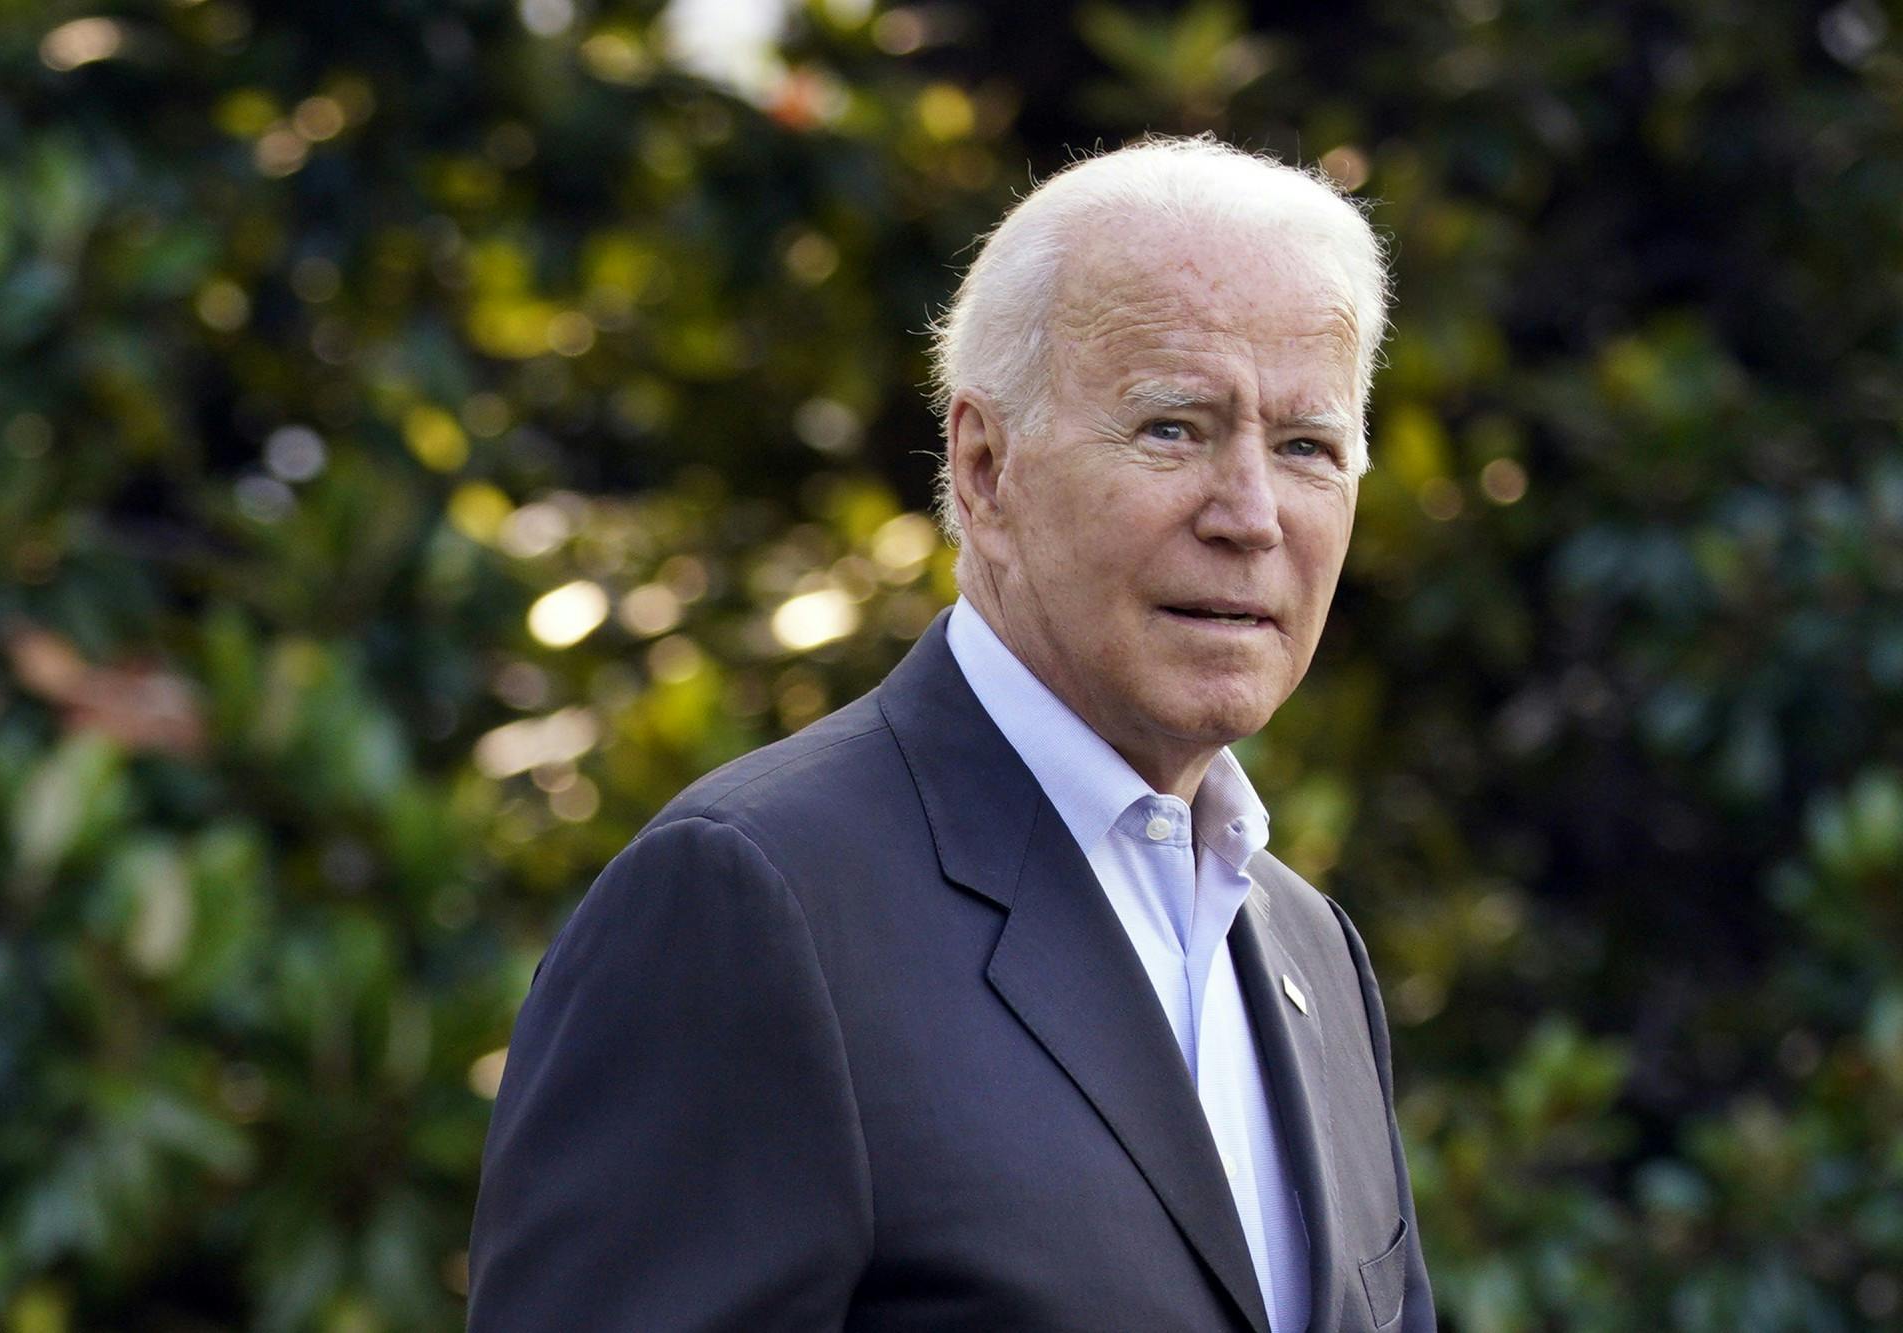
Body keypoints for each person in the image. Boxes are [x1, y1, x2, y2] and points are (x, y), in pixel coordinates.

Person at [468, 135, 1434, 1332]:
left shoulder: (1309, 949)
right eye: (1173, 428)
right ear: (983, 469)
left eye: (1305, 449)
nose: (1249, 515)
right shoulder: (752, 902)